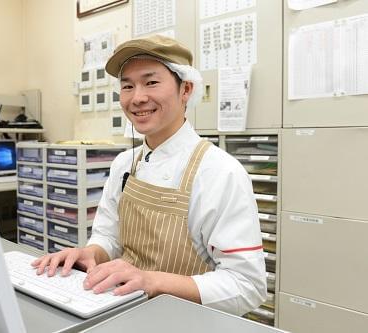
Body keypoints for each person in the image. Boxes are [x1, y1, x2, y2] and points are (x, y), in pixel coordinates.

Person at [33, 35, 266, 316]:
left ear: (186, 90)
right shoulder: (123, 165)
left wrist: (152, 281)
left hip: (187, 320)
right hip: (123, 309)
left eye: (151, 82)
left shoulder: (219, 172)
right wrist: (91, 253)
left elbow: (247, 285)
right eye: (127, 86)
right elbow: (109, 236)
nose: (137, 97)